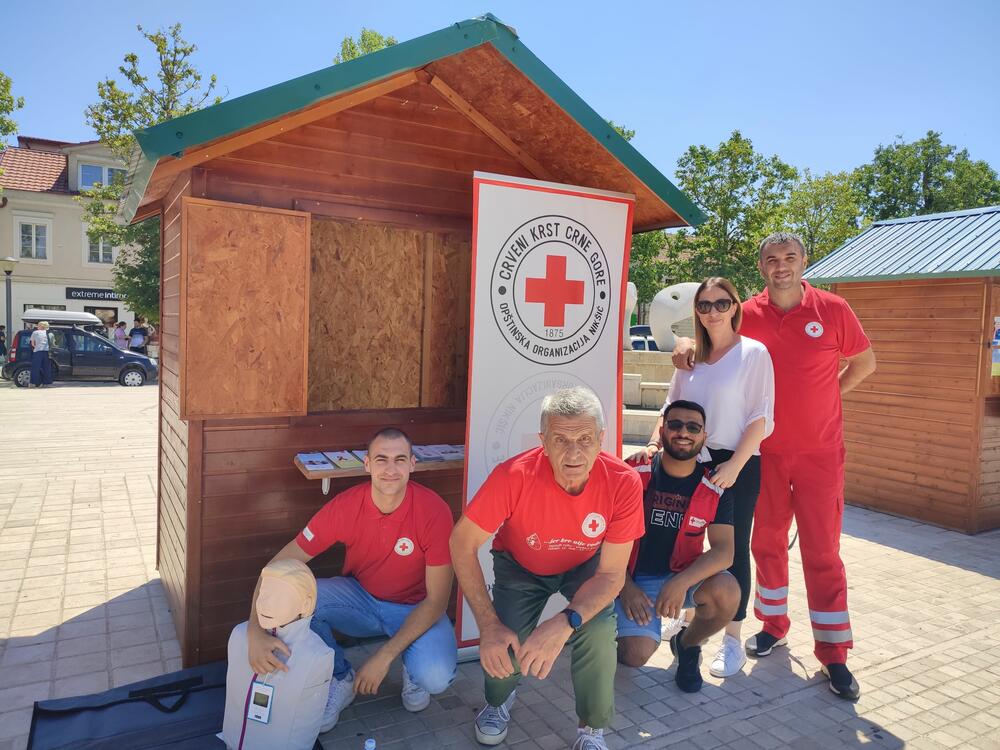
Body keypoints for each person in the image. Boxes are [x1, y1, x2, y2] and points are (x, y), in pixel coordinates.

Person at [672, 231, 876, 699]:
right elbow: (711, 334)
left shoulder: (833, 310)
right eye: (771, 258)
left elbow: (864, 363)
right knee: (765, 544)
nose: (781, 265)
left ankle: (833, 654)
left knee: (823, 553)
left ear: (804, 261)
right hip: (763, 456)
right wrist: (684, 341)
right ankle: (773, 624)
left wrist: (830, 397)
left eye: (789, 257)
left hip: (821, 455)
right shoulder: (751, 315)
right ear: (761, 266)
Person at [450, 387, 644, 750]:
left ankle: (592, 727)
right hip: (521, 565)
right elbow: (461, 542)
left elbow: (612, 575)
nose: (574, 452)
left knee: (599, 626)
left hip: (587, 564)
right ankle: (497, 702)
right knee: (504, 637)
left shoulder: (623, 481)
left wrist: (564, 622)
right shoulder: (514, 475)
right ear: (543, 441)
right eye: (561, 439)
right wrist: (488, 625)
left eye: (585, 439)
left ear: (602, 439)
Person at [247, 428, 457, 732]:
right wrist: (255, 629)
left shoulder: (433, 510)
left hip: (416, 608)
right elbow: (277, 567)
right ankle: (340, 677)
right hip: (363, 599)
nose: (390, 469)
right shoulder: (346, 507)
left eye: (399, 459)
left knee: (435, 676)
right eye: (381, 459)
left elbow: (437, 601)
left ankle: (414, 668)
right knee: (296, 600)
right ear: (367, 465)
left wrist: (382, 658)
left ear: (413, 464)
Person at [644, 277, 774, 678]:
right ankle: (687, 615)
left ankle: (732, 639)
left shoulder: (753, 354)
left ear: (735, 306)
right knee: (680, 539)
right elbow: (670, 407)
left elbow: (761, 416)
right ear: (695, 311)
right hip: (688, 458)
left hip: (735, 463)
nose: (712, 311)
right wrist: (653, 446)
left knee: (731, 549)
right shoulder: (690, 357)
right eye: (704, 305)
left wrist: (734, 465)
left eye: (722, 303)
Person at [618, 400, 740, 693]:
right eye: (675, 425)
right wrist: (625, 587)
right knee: (635, 655)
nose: (683, 432)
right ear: (662, 431)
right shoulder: (632, 473)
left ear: (703, 437)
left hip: (680, 578)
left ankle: (687, 645)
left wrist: (680, 582)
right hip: (632, 579)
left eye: (693, 427)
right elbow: (598, 540)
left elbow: (725, 551)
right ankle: (616, 630)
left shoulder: (714, 488)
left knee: (728, 590)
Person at [29, 321, 54, 387]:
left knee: (35, 368)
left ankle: (34, 383)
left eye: (38, 325)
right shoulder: (50, 334)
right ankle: (46, 383)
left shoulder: (35, 332)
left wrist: (36, 346)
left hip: (38, 352)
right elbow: (53, 344)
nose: (37, 326)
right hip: (47, 352)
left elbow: (32, 344)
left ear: (40, 326)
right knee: (47, 368)